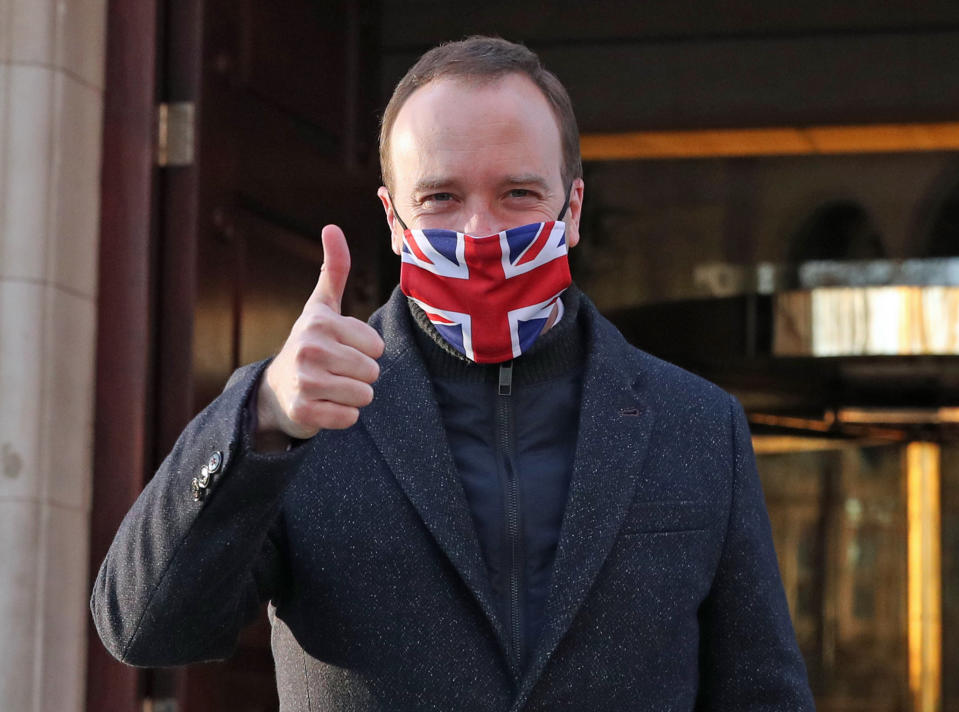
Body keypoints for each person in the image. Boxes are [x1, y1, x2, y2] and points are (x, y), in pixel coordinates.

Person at [92, 36, 815, 711]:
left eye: (518, 195)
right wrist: (262, 420)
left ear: (572, 209)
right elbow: (144, 631)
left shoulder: (694, 424)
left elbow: (761, 692)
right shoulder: (298, 414)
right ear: (393, 217)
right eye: (440, 197)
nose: (479, 235)